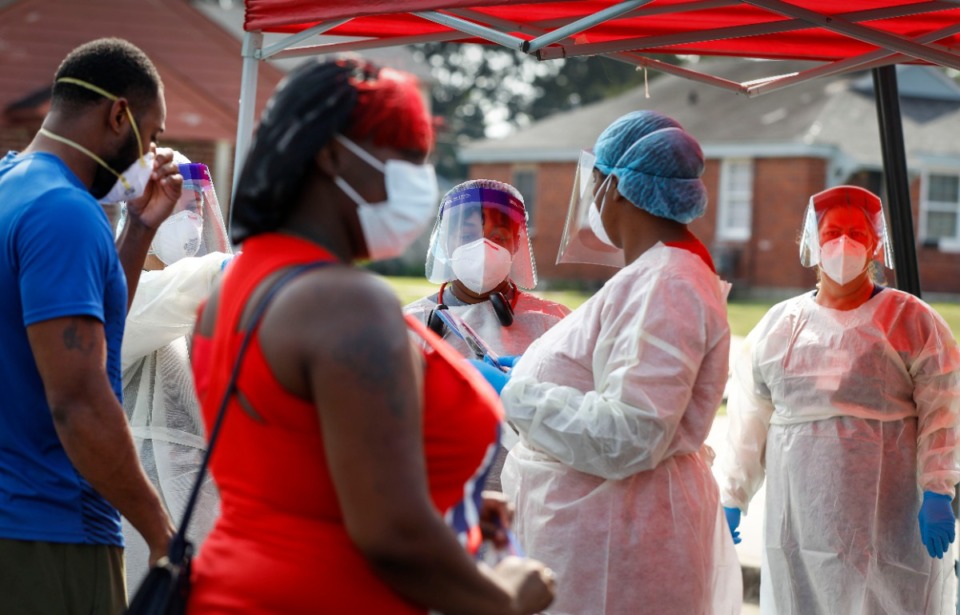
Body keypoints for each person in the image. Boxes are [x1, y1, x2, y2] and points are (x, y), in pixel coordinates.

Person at [187, 58, 555, 614]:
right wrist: (504, 596)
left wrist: (447, 508)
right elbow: (391, 536)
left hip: (234, 586)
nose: (418, 181)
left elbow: (302, 472)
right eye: (404, 159)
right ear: (332, 155)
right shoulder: (349, 304)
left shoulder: (232, 286)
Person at [477, 110, 742, 614]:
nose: (591, 194)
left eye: (595, 178)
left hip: (615, 547)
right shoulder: (656, 274)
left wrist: (510, 392)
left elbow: (630, 434)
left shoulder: (666, 283)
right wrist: (529, 377)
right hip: (599, 536)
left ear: (616, 186)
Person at [719, 185, 960, 614]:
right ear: (812, 243)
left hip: (890, 521)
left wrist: (938, 489)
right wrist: (732, 494)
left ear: (875, 244)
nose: (844, 243)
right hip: (799, 518)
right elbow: (750, 416)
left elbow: (944, 409)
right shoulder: (780, 326)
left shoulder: (911, 322)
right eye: (832, 232)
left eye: (855, 232)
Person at [0, 38, 179, 613]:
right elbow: (78, 399)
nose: (148, 156)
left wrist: (139, 231)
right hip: (50, 531)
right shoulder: (66, 211)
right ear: (118, 114)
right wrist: (161, 534)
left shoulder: (13, 185)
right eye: (150, 138)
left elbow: (80, 332)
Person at [404, 179, 570, 492]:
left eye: (497, 236)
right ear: (445, 241)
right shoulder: (409, 325)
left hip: (530, 495)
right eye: (467, 235)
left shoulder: (554, 323)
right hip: (442, 491)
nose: (482, 247)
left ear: (516, 244)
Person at [119, 154, 232, 590]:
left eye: (198, 208)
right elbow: (167, 296)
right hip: (136, 524)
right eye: (181, 207)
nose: (193, 220)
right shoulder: (127, 294)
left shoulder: (203, 307)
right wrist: (230, 268)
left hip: (206, 510)